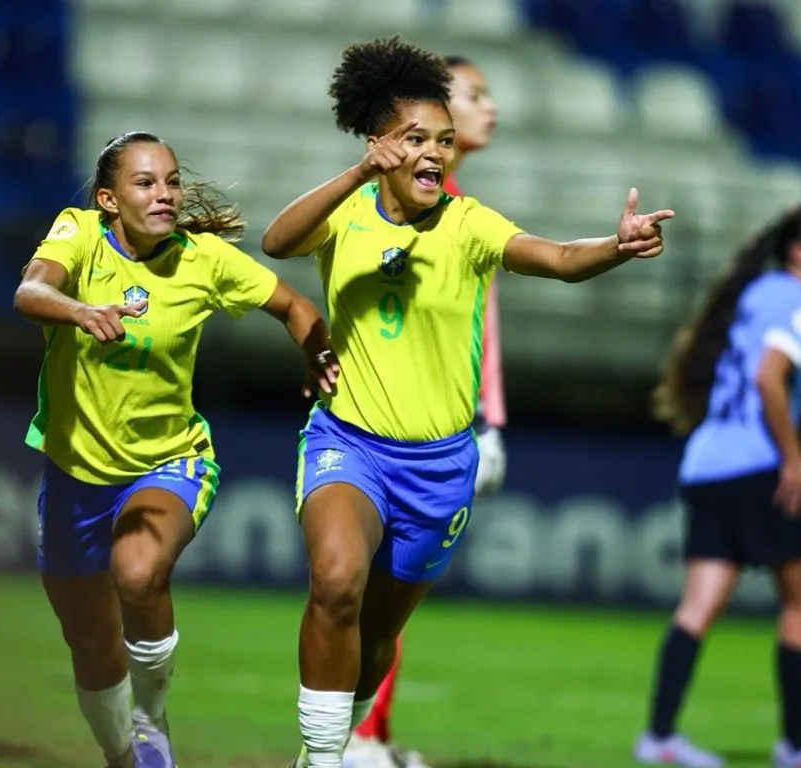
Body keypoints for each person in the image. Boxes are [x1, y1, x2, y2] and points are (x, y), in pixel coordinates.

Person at [260, 36, 674, 768]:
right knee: (334, 584)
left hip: (439, 466)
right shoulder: (346, 212)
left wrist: (616, 245)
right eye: (414, 138)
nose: (433, 153)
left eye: (443, 141)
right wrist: (358, 171)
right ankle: (319, 760)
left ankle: (342, 739)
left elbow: (558, 260)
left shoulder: (468, 224)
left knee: (381, 635)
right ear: (378, 141)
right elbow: (277, 239)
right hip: (347, 443)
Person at [13, 131, 338, 768]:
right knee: (88, 641)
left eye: (170, 181)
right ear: (108, 199)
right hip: (74, 470)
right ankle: (122, 755)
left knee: (137, 572)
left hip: (171, 461)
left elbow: (294, 305)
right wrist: (78, 311)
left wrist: (316, 351)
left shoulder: (203, 259)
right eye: (145, 183)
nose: (164, 194)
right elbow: (30, 292)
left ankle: (151, 713)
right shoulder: (77, 233)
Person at [633, 203, 801, 768]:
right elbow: (768, 378)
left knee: (697, 608)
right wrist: (794, 459)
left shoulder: (761, 293)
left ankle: (659, 738)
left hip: (709, 464)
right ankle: (797, 746)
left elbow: (756, 384)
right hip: (756, 468)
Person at [344, 52, 501, 768]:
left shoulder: (457, 203)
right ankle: (357, 738)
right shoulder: (407, 200)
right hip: (383, 428)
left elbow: (475, 326)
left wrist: (487, 414)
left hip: (445, 425)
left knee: (389, 595)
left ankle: (365, 734)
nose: (487, 107)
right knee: (375, 591)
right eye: (473, 94)